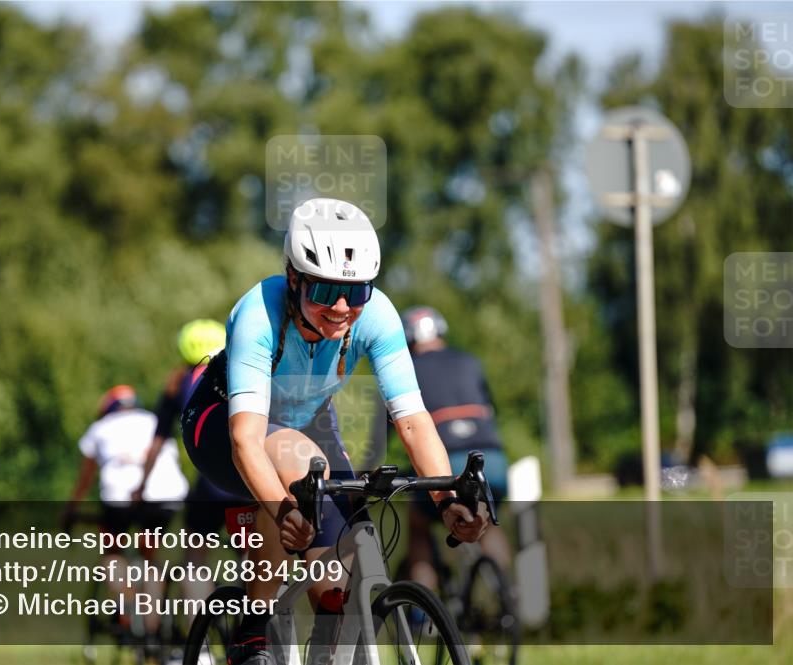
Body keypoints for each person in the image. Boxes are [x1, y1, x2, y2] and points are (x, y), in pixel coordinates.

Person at [179, 198, 490, 665]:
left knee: (342, 568)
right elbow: (247, 440)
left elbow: (412, 420)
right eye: (324, 292)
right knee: (292, 464)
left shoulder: (378, 316)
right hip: (221, 426)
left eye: (357, 292)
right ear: (293, 279)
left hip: (308, 424)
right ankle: (252, 628)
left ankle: (327, 646)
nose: (342, 307)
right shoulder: (259, 314)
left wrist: (446, 500)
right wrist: (285, 511)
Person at [391, 306, 512, 582]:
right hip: (491, 459)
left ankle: (423, 613)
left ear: (409, 340)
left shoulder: (406, 370)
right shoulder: (470, 360)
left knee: (418, 528)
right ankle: (508, 599)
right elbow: (491, 408)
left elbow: (397, 428)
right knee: (489, 526)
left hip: (446, 461)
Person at [133, 319, 248, 605]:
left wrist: (141, 486)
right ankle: (256, 634)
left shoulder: (177, 384)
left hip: (208, 485)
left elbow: (157, 443)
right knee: (253, 556)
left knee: (195, 561)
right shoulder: (243, 373)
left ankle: (204, 647)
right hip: (248, 479)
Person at [65, 385, 189, 645]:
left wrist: (71, 509)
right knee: (150, 559)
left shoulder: (100, 427)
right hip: (166, 494)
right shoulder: (154, 420)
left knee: (112, 551)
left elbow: (85, 478)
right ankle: (152, 631)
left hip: (120, 495)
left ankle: (126, 609)